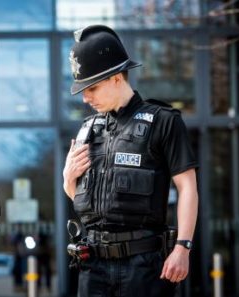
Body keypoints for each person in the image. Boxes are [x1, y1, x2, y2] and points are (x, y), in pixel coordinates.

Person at [62, 25, 199, 297]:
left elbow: (188, 188)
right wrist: (68, 178)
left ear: (116, 78)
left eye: (92, 88)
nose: (86, 98)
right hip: (93, 265)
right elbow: (81, 201)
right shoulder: (89, 129)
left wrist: (182, 247)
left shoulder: (163, 121)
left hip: (143, 265)